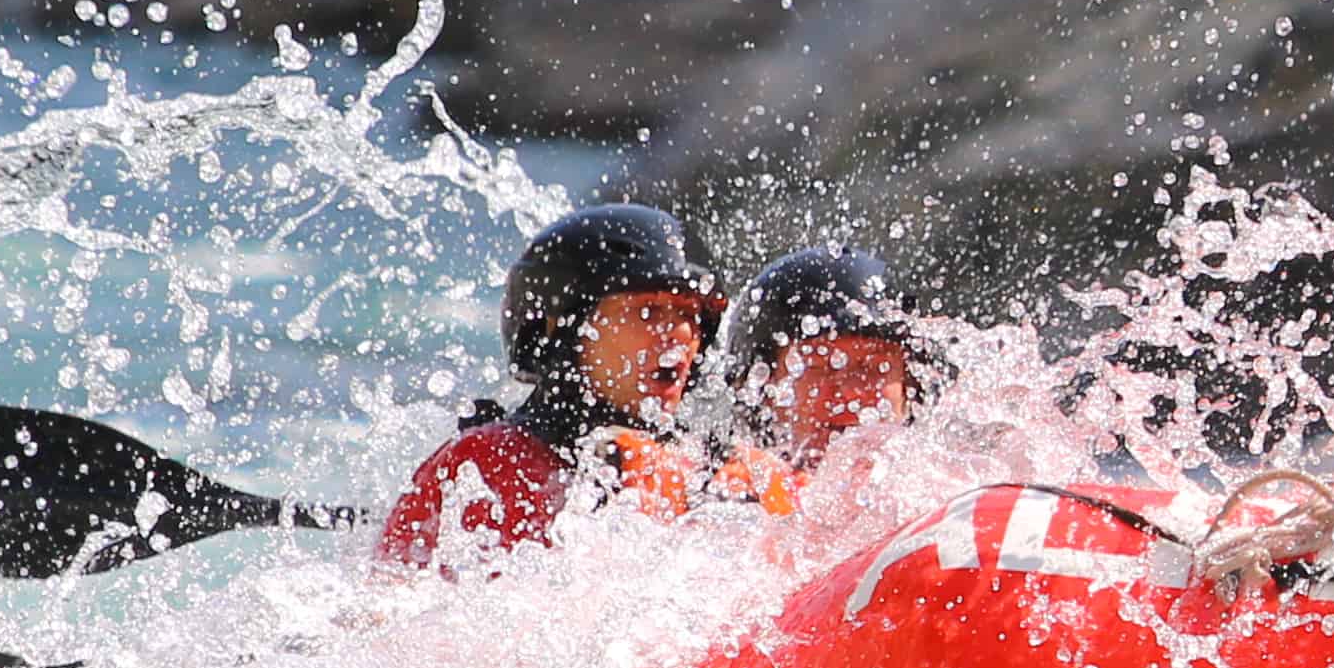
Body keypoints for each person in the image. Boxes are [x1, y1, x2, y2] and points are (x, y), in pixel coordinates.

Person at [378, 204, 725, 569]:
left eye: (690, 315)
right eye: (647, 311)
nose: (682, 335)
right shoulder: (482, 465)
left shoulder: (708, 470)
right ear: (558, 330)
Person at [709, 244, 927, 473]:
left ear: (907, 386)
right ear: (763, 391)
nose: (851, 391)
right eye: (821, 368)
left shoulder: (950, 490)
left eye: (874, 367)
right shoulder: (723, 495)